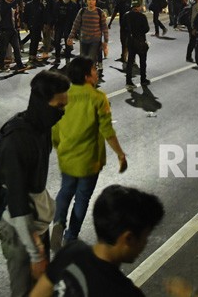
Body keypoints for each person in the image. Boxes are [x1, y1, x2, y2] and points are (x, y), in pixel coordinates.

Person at [0, 70, 71, 297]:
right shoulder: (16, 141)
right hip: (21, 234)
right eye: (58, 106)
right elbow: (17, 203)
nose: (62, 112)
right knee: (25, 292)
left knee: (42, 291)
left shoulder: (41, 128)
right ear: (42, 103)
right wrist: (36, 253)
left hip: (37, 229)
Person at [31, 185, 167, 297]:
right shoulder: (124, 292)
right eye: (145, 237)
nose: (145, 243)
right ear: (128, 238)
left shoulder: (70, 252)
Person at [51, 57, 128, 251]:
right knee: (82, 198)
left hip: (67, 156)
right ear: (86, 76)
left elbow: (54, 126)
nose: (97, 72)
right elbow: (107, 131)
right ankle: (71, 238)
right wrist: (120, 154)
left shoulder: (63, 95)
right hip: (89, 160)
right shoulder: (97, 97)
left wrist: (58, 146)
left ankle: (59, 222)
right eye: (94, 70)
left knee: (65, 191)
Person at [68, 0, 109, 69]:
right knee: (83, 60)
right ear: (86, 1)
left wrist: (106, 41)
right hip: (83, 40)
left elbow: (104, 27)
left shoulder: (99, 12)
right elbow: (76, 24)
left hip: (95, 40)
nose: (91, 1)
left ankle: (91, 76)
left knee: (91, 60)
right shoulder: (82, 11)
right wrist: (71, 36)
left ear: (96, 1)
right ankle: (85, 77)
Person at [125, 0, 150, 88]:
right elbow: (146, 29)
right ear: (139, 6)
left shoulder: (126, 16)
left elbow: (123, 28)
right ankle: (143, 79)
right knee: (143, 61)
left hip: (130, 42)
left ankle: (128, 81)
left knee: (130, 62)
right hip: (140, 41)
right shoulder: (142, 16)